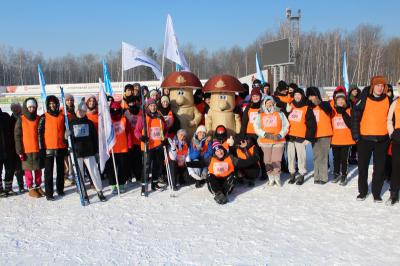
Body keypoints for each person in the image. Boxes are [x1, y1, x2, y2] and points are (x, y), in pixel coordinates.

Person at [351, 76, 391, 202]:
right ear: (373, 86)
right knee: (362, 167)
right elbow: (355, 117)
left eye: (382, 86)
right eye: (377, 85)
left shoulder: (388, 100)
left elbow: (393, 119)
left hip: (382, 140)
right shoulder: (364, 98)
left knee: (379, 169)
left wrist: (391, 135)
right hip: (364, 139)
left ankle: (376, 193)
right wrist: (356, 136)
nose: (380, 88)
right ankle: (362, 192)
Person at [69, 100, 106, 201]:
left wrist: (96, 151)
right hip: (77, 153)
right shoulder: (70, 123)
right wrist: (66, 135)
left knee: (94, 172)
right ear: (76, 111)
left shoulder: (89, 123)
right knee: (79, 173)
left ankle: (99, 191)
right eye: (79, 111)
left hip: (89, 152)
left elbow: (94, 137)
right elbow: (66, 140)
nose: (81, 113)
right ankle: (83, 191)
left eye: (83, 111)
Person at [253, 96, 289, 186]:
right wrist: (264, 134)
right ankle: (270, 177)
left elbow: (286, 125)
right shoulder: (260, 114)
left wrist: (281, 134)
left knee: (276, 160)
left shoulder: (279, 112)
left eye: (270, 102)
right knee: (267, 160)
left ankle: (277, 177)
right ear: (264, 104)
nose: (269, 104)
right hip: (265, 140)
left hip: (278, 140)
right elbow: (256, 127)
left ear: (273, 103)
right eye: (267, 102)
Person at [134, 98, 167, 195]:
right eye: (151, 105)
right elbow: (136, 131)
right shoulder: (143, 117)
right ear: (147, 107)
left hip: (158, 145)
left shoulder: (159, 116)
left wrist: (164, 139)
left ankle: (154, 183)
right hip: (147, 146)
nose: (153, 107)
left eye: (154, 105)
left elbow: (164, 130)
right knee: (146, 166)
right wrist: (141, 137)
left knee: (157, 165)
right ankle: (144, 187)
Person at [38, 95, 67, 201]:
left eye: (53, 103)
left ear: (57, 104)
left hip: (61, 147)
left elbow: (65, 131)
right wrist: (41, 148)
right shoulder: (44, 117)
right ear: (47, 105)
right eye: (50, 104)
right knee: (49, 172)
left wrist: (66, 142)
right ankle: (49, 193)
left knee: (60, 170)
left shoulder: (62, 116)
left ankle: (60, 189)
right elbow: (39, 133)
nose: (52, 105)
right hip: (48, 148)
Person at [14, 98, 44, 198]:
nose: (31, 109)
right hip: (26, 150)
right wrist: (19, 151)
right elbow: (17, 136)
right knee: (28, 170)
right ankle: (30, 187)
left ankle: (38, 186)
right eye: (30, 107)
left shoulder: (39, 118)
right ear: (26, 108)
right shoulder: (21, 119)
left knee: (38, 169)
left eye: (33, 107)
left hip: (37, 148)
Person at [286, 87, 316, 185]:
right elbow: (283, 120)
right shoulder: (290, 106)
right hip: (290, 136)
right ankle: (292, 174)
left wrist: (308, 137)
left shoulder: (306, 107)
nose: (297, 97)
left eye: (299, 95)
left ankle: (301, 174)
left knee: (301, 157)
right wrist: (286, 111)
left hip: (301, 137)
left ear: (302, 96)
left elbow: (312, 124)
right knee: (290, 156)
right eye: (295, 95)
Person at [239, 88, 268, 180]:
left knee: (262, 154)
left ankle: (264, 172)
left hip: (260, 134)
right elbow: (244, 122)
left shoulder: (263, 106)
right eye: (254, 96)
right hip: (249, 134)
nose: (255, 98)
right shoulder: (248, 107)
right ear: (251, 97)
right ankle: (252, 172)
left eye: (257, 96)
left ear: (260, 96)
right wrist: (242, 135)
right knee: (251, 154)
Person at [307, 87, 333, 184]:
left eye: (313, 95)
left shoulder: (324, 104)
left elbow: (329, 110)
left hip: (325, 134)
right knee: (316, 156)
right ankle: (317, 176)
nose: (311, 98)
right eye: (310, 96)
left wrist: (318, 102)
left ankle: (323, 177)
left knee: (323, 156)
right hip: (315, 135)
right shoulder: (309, 108)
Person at [330, 91, 355, 186]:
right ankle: (336, 174)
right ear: (336, 101)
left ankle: (344, 175)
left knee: (344, 159)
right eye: (338, 100)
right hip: (335, 139)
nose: (340, 101)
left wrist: (343, 112)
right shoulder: (333, 111)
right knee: (336, 158)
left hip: (346, 140)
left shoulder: (349, 110)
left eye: (342, 100)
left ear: (345, 101)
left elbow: (351, 124)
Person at [108, 101, 130, 194]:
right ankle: (113, 185)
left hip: (122, 148)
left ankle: (121, 184)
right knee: (111, 168)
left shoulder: (124, 119)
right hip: (111, 148)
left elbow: (128, 133)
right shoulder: (108, 120)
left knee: (122, 168)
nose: (115, 111)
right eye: (113, 110)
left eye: (117, 109)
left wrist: (129, 144)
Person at [124, 95, 142, 183]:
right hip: (129, 139)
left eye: (133, 102)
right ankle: (128, 176)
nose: (132, 104)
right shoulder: (126, 113)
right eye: (130, 102)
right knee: (129, 159)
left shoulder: (141, 111)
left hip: (139, 139)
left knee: (138, 159)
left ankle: (138, 176)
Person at [387, 91, 400, 205]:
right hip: (398, 135)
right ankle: (394, 193)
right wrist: (392, 133)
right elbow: (389, 119)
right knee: (396, 166)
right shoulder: (395, 102)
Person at [9, 103, 26, 193]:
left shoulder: (25, 117)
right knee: (18, 168)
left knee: (27, 166)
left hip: (26, 145)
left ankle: (31, 184)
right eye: (14, 108)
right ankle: (21, 185)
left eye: (17, 108)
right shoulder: (10, 119)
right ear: (12, 110)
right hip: (15, 147)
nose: (16, 110)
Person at [0, 105, 15, 197]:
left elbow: (12, 130)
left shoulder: (5, 116)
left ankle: (8, 188)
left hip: (8, 149)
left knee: (10, 169)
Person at [347, 85, 361, 165]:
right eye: (353, 91)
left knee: (356, 140)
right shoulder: (348, 100)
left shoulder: (359, 100)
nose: (355, 92)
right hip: (350, 120)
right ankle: (348, 157)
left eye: (356, 91)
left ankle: (353, 156)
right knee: (349, 140)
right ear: (350, 91)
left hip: (357, 120)